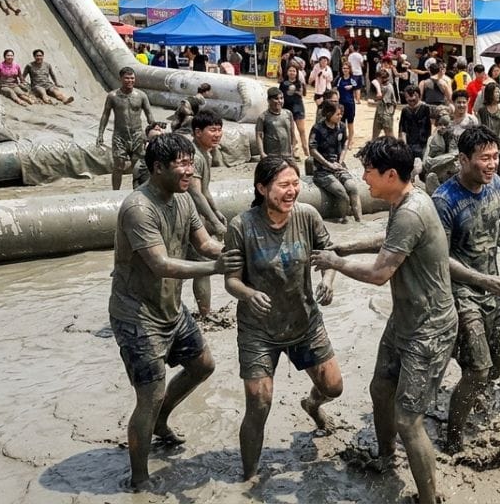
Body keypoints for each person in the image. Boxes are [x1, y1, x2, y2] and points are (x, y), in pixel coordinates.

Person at [310, 138, 457, 504]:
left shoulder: (410, 211)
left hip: (430, 328)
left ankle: (428, 498)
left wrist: (335, 263)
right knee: (380, 389)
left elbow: (380, 274)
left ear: (392, 174)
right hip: (405, 320)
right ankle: (386, 457)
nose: (364, 179)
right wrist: (349, 246)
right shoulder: (403, 200)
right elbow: (392, 241)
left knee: (409, 420)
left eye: (369, 173)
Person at [108, 132, 241, 489]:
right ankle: (138, 479)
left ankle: (162, 420)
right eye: (181, 163)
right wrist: (216, 269)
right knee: (149, 394)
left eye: (190, 161)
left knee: (203, 365)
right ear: (157, 168)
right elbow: (161, 264)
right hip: (137, 313)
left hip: (170, 307)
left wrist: (235, 253)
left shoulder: (182, 200)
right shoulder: (139, 208)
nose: (189, 169)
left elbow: (205, 244)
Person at [224, 157, 347, 481]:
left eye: (295, 184)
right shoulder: (241, 225)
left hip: (303, 321)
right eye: (283, 185)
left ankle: (312, 404)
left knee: (333, 387)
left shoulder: (307, 216)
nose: (292, 191)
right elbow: (231, 280)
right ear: (262, 188)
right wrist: (249, 294)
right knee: (259, 402)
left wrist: (327, 281)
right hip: (259, 329)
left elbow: (329, 257)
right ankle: (248, 478)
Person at [433, 126, 500, 453]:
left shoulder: (497, 185)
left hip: (494, 287)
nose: (491, 164)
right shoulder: (444, 201)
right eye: (484, 158)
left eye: (495, 157)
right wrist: (481, 281)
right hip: (462, 294)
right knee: (479, 368)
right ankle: (452, 438)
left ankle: (468, 389)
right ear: (463, 160)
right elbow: (440, 260)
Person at [187, 109, 227, 318]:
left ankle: (202, 312)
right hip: (186, 219)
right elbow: (194, 191)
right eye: (212, 130)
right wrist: (213, 221)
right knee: (201, 265)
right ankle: (205, 314)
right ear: (197, 132)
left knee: (195, 265)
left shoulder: (205, 154)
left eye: (219, 130)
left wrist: (216, 211)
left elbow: (204, 190)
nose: (217, 134)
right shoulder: (193, 155)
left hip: (194, 218)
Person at [98, 67, 157, 191]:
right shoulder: (112, 96)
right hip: (120, 135)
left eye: (132, 78)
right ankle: (115, 192)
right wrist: (100, 133)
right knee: (118, 165)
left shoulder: (141, 95)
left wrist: (153, 125)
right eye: (127, 78)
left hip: (137, 135)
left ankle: (138, 191)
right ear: (121, 79)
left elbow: (149, 114)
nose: (130, 80)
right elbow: (105, 114)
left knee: (138, 166)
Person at [310, 101, 362, 223]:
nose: (340, 117)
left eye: (341, 114)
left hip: (338, 167)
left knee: (353, 188)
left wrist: (341, 161)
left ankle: (360, 221)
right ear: (328, 114)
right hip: (322, 170)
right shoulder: (317, 128)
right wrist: (328, 164)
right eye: (337, 114)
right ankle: (343, 220)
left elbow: (345, 144)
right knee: (342, 194)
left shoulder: (342, 127)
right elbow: (312, 150)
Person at [476, 81, 500, 178]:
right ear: (489, 94)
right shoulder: (483, 110)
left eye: (499, 92)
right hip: (488, 144)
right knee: (490, 168)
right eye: (496, 92)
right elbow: (480, 127)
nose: (498, 94)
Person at [256, 88, 298, 161]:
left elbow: (292, 132)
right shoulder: (263, 117)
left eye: (281, 98)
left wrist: (293, 148)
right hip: (271, 156)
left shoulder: (288, 114)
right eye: (276, 99)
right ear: (269, 100)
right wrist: (262, 153)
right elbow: (259, 136)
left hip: (287, 155)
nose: (280, 101)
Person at [398, 85, 433, 163]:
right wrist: (404, 146)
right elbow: (402, 129)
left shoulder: (426, 108)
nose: (411, 99)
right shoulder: (405, 110)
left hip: (423, 144)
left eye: (413, 96)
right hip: (409, 144)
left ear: (419, 96)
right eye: (407, 97)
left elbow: (431, 126)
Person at [279, 65, 309, 157]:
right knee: (290, 130)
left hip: (298, 108)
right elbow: (280, 96)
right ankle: (294, 147)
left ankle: (306, 148)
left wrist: (301, 89)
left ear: (297, 73)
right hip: (287, 108)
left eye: (294, 71)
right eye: (290, 71)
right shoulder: (283, 84)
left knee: (302, 130)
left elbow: (303, 94)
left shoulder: (299, 83)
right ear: (287, 72)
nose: (292, 73)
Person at [336, 61, 363, 145]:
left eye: (347, 68)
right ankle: (343, 139)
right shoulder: (339, 79)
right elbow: (335, 88)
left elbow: (357, 87)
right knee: (341, 123)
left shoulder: (352, 79)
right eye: (344, 68)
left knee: (350, 123)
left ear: (349, 69)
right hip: (341, 104)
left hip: (350, 104)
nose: (345, 70)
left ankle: (350, 140)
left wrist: (352, 87)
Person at [371, 69, 397, 140]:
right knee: (375, 135)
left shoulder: (388, 87)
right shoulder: (382, 85)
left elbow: (379, 97)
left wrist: (378, 89)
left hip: (386, 113)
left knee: (389, 135)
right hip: (380, 112)